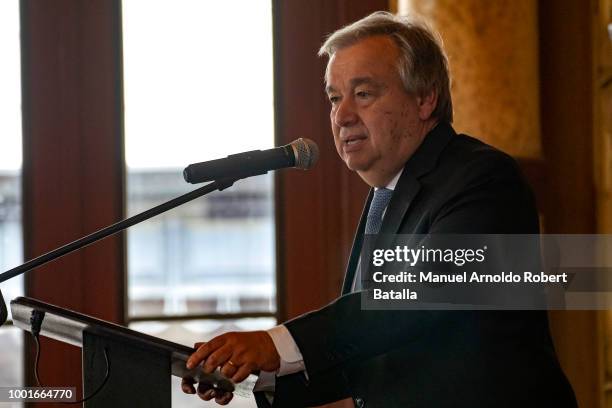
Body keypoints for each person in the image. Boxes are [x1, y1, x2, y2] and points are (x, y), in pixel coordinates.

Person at [182, 11, 577, 407]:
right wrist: (254, 376)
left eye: (364, 93)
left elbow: (418, 299)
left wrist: (275, 343)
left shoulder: (482, 179)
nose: (342, 115)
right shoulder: (386, 194)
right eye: (335, 98)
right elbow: (372, 356)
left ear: (424, 99)